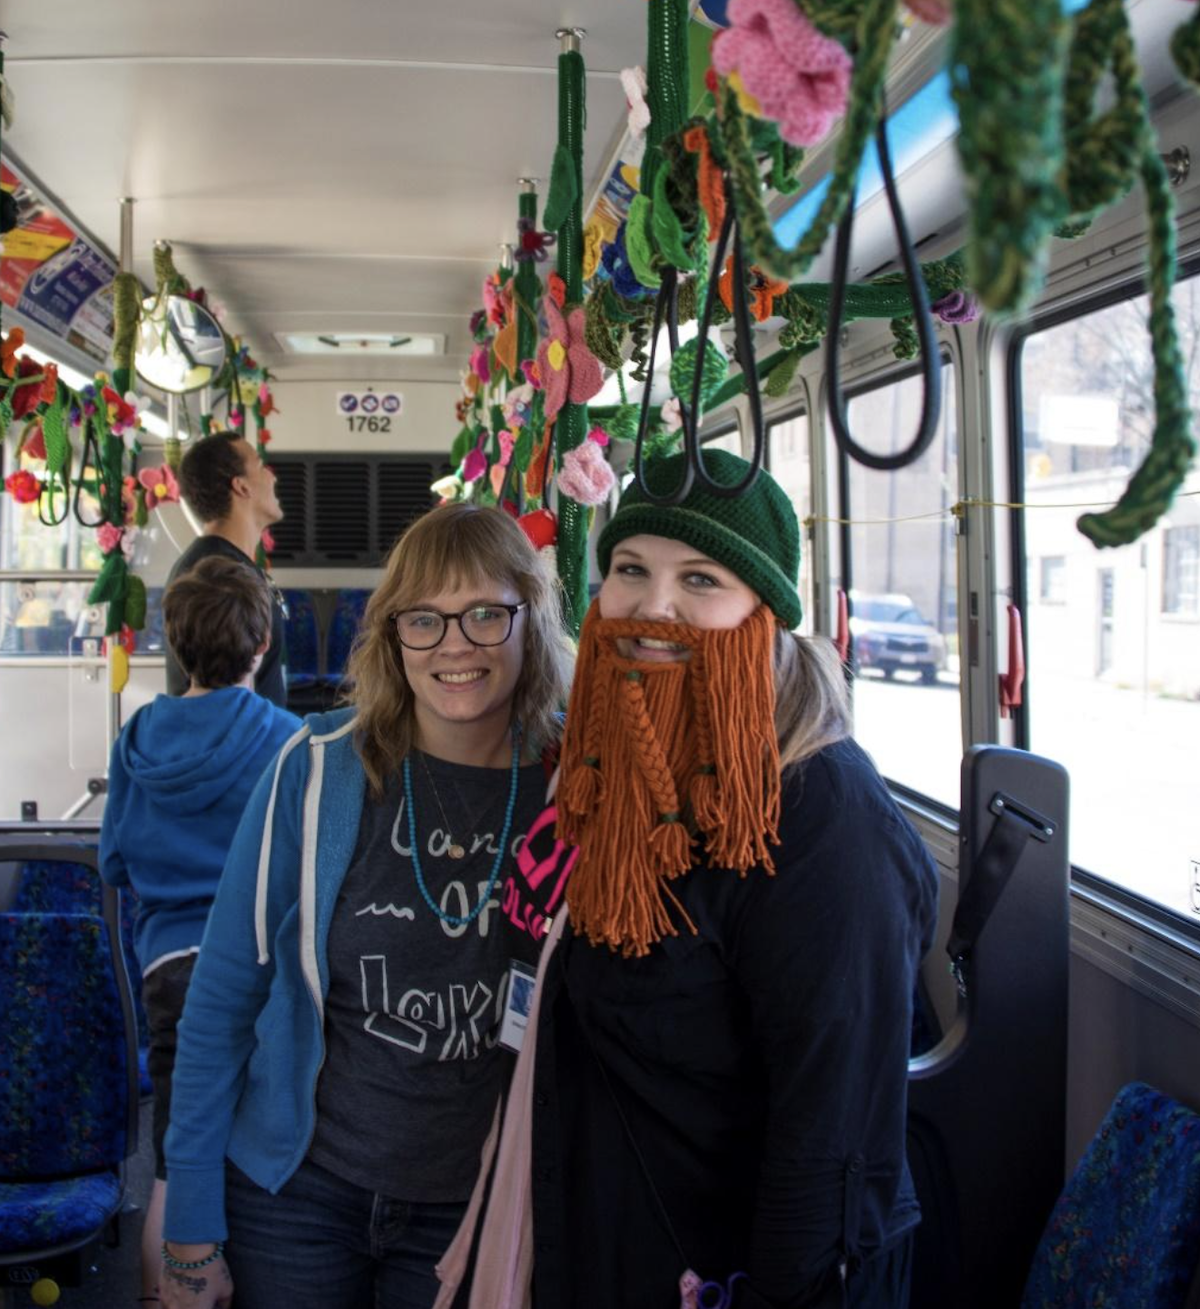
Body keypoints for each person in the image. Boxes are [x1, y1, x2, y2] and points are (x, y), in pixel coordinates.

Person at [440, 449, 939, 1309]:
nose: (652, 606)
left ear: (766, 612)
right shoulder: (614, 762)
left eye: (701, 578)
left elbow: (827, 1151)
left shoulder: (821, 820)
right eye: (631, 569)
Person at [159, 503, 576, 1309]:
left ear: (531, 618)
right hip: (299, 1197)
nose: (454, 644)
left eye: (486, 614)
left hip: (475, 1201)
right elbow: (221, 1002)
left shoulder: (576, 786)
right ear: (393, 635)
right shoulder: (314, 771)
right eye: (425, 619)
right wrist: (189, 1229)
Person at [99, 555, 303, 1306]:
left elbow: (115, 861)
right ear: (262, 646)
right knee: (249, 1147)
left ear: (174, 644)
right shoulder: (287, 739)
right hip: (251, 967)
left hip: (164, 969)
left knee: (173, 1155)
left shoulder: (138, 736)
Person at [164, 430, 287, 705]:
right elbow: (218, 702)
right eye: (260, 467)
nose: (273, 476)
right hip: (242, 745)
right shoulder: (213, 575)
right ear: (241, 487)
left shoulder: (232, 564)